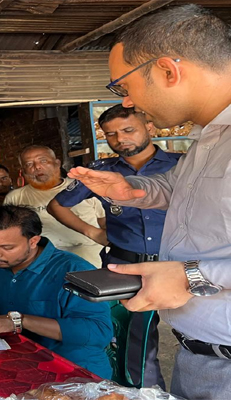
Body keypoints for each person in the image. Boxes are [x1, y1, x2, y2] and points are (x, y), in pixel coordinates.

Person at [67, 5, 231, 399]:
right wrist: (135, 191)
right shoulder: (211, 135)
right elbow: (187, 187)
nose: (127, 102)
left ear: (167, 71)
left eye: (123, 87)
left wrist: (192, 275)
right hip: (198, 359)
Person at [48, 104, 182, 388]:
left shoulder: (181, 166)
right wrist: (93, 232)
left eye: (128, 130)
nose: (120, 139)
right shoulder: (101, 172)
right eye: (111, 134)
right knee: (134, 339)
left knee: (197, 334)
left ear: (149, 127)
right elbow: (57, 205)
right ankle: (143, 392)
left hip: (178, 263)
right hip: (125, 265)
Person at [0, 206, 112, 378]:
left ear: (33, 241)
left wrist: (18, 321)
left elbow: (99, 332)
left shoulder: (75, 271)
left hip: (71, 371)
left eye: (7, 247)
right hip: (11, 362)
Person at [4, 145, 105, 267]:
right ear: (23, 170)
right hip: (44, 262)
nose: (37, 167)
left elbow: (104, 222)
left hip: (90, 260)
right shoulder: (15, 198)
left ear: (57, 163)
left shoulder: (82, 189)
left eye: (43, 161)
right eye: (29, 164)